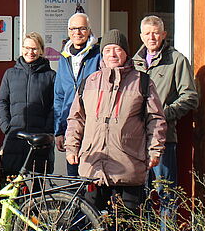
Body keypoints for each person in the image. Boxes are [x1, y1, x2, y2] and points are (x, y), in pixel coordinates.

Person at [65, 29, 166, 217]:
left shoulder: (142, 82)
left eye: (117, 49)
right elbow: (76, 118)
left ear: (126, 53)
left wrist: (155, 151)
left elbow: (156, 120)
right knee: (92, 226)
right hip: (93, 166)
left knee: (127, 227)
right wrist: (71, 147)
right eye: (108, 50)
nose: (112, 54)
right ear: (102, 54)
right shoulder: (89, 81)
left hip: (128, 166)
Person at [132, 15, 198, 227]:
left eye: (156, 33)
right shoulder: (134, 62)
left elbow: (190, 97)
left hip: (164, 138)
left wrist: (163, 114)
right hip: (137, 139)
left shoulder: (176, 60)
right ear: (141, 36)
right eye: (147, 33)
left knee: (165, 193)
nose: (152, 37)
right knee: (143, 195)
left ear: (164, 35)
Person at [0, 32, 56, 175]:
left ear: (41, 50)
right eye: (27, 48)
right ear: (22, 48)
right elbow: (2, 101)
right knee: (13, 184)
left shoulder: (50, 75)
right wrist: (6, 126)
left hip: (39, 139)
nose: (30, 52)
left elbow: (55, 106)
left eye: (35, 49)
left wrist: (47, 129)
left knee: (37, 184)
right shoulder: (10, 74)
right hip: (15, 137)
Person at [53, 12, 101, 176]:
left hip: (93, 127)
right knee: (73, 178)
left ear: (88, 30)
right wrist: (59, 131)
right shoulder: (64, 57)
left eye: (82, 28)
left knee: (93, 178)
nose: (77, 33)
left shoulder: (98, 55)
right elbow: (59, 96)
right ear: (68, 31)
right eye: (73, 29)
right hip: (70, 128)